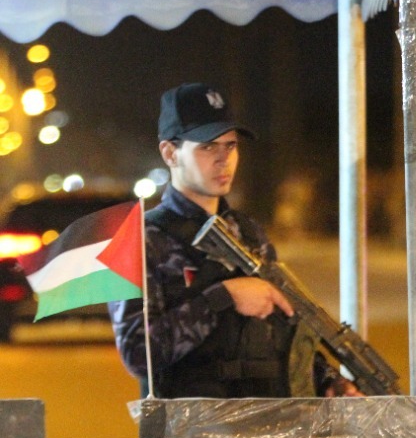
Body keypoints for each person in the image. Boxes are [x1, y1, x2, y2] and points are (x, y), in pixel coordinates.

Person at [109, 82, 359, 398]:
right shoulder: (139, 240)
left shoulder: (250, 234)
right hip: (190, 437)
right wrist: (223, 298)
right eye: (207, 147)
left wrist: (327, 380)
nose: (223, 159)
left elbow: (286, 331)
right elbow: (137, 353)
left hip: (264, 427)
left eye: (230, 146)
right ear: (170, 153)